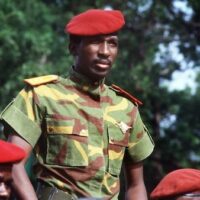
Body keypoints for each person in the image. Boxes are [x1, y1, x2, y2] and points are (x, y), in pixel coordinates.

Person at [0, 9, 154, 200]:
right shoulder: (42, 95)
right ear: (73, 47)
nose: (105, 52)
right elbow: (13, 164)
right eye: (96, 42)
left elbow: (136, 184)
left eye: (112, 43)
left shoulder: (126, 108)